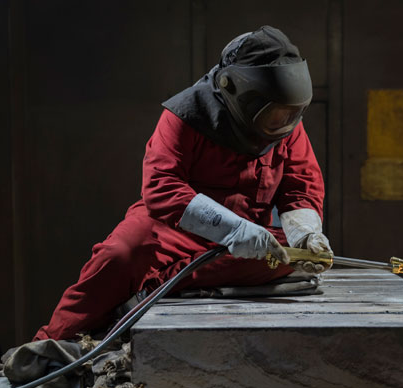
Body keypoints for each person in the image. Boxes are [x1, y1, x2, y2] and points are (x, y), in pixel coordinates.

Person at [34, 26, 332, 341]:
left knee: (286, 258)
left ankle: (152, 289)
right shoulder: (186, 116)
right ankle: (50, 342)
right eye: (276, 115)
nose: (284, 125)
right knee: (119, 255)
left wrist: (305, 235)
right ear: (238, 92)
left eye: (292, 115)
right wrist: (232, 230)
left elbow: (300, 187)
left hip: (248, 237)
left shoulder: (286, 130)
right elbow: (162, 188)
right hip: (171, 230)